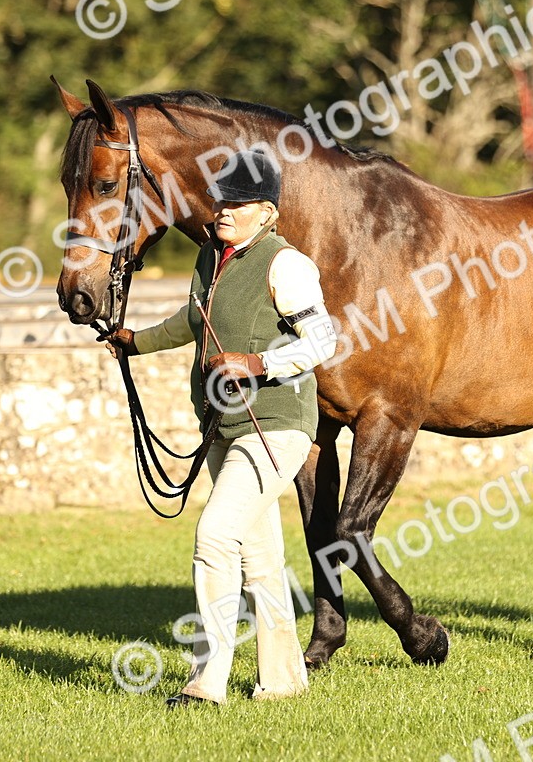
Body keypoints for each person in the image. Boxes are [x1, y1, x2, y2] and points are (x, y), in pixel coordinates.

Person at [106, 149, 338, 706]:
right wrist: (136, 342)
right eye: (219, 201)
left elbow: (322, 342)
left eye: (236, 203)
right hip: (222, 424)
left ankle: (207, 681)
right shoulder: (212, 257)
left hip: (276, 425)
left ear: (267, 211)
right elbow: (191, 321)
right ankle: (282, 681)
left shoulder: (288, 265)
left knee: (214, 535)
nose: (222, 211)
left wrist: (258, 364)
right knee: (258, 558)